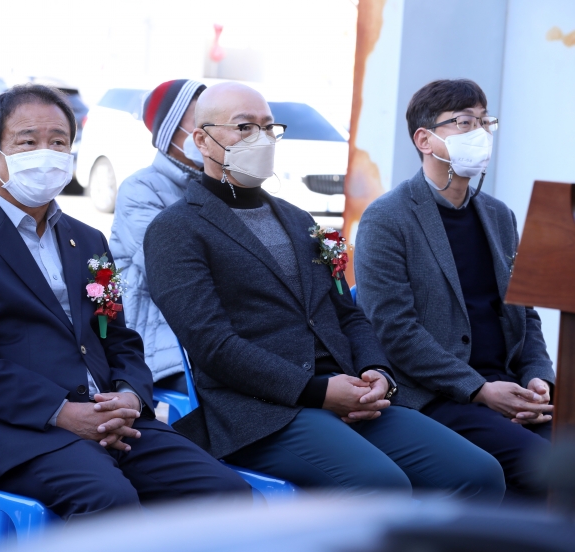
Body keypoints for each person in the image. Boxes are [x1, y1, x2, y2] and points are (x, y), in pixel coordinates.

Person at [143, 82, 505, 501]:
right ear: (202, 141)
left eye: (268, 127)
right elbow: (213, 346)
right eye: (244, 128)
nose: (261, 139)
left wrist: (376, 372)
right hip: (260, 410)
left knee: (478, 473)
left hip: (346, 392)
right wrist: (317, 391)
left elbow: (348, 313)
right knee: (382, 484)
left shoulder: (300, 220)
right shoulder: (176, 230)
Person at [0, 84, 250, 519]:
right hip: (19, 430)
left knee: (227, 492)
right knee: (110, 503)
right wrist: (62, 412)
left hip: (114, 419)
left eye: (59, 142)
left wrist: (130, 395)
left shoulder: (88, 240)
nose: (46, 153)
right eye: (28, 142)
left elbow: (118, 335)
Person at [354, 79, 555, 504]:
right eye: (464, 122)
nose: (479, 133)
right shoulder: (386, 219)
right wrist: (479, 389)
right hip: (439, 394)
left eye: (484, 122)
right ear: (424, 140)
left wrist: (538, 376)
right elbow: (395, 331)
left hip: (508, 386)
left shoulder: (499, 215)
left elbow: (525, 312)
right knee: (548, 468)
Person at [109, 79, 206, 394]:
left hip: (207, 333)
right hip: (160, 341)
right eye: (202, 120)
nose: (213, 130)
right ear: (171, 130)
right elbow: (173, 271)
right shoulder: (141, 188)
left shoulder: (220, 184)